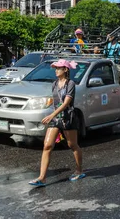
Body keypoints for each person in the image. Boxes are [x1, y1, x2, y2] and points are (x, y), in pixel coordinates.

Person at [29, 59, 84, 187]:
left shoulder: (70, 84)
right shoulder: (54, 84)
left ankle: (79, 170)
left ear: (65, 70)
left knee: (72, 145)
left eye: (59, 68)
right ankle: (42, 177)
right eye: (55, 68)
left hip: (67, 118)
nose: (56, 70)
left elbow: (66, 103)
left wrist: (51, 115)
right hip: (55, 118)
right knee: (47, 145)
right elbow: (55, 100)